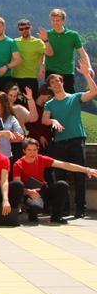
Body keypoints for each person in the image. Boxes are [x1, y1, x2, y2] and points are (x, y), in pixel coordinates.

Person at [42, 61, 97, 218]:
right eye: (52, 83)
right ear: (50, 87)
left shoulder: (75, 97)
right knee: (61, 176)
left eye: (58, 81)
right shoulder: (49, 104)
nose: (56, 84)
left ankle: (80, 209)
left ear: (62, 82)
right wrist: (53, 120)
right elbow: (44, 120)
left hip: (77, 140)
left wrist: (86, 74)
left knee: (80, 175)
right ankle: (64, 208)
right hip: (60, 142)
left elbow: (94, 92)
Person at [13, 138, 97, 224]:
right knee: (34, 209)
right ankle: (32, 212)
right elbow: (18, 187)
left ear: (38, 150)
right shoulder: (18, 164)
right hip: (29, 194)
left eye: (35, 150)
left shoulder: (42, 159)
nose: (32, 153)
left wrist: (87, 170)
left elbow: (64, 165)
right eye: (29, 150)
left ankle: (56, 217)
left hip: (43, 191)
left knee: (62, 185)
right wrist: (28, 192)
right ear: (24, 151)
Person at [43, 8, 94, 94]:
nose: (55, 23)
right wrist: (42, 65)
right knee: (51, 99)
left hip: (67, 72)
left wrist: (89, 67)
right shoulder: (47, 35)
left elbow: (82, 53)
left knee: (70, 98)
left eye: (57, 20)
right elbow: (44, 53)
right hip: (51, 72)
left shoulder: (73, 35)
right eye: (53, 20)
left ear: (63, 21)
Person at [0, 91, 24, 160]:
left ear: (3, 103)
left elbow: (21, 135)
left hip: (6, 155)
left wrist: (12, 135)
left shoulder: (11, 118)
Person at [13, 18, 48, 96]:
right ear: (18, 30)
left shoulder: (38, 42)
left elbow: (47, 54)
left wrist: (42, 66)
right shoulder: (14, 42)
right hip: (15, 77)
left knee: (32, 102)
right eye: (21, 29)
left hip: (31, 78)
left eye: (26, 28)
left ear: (30, 28)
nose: (24, 30)